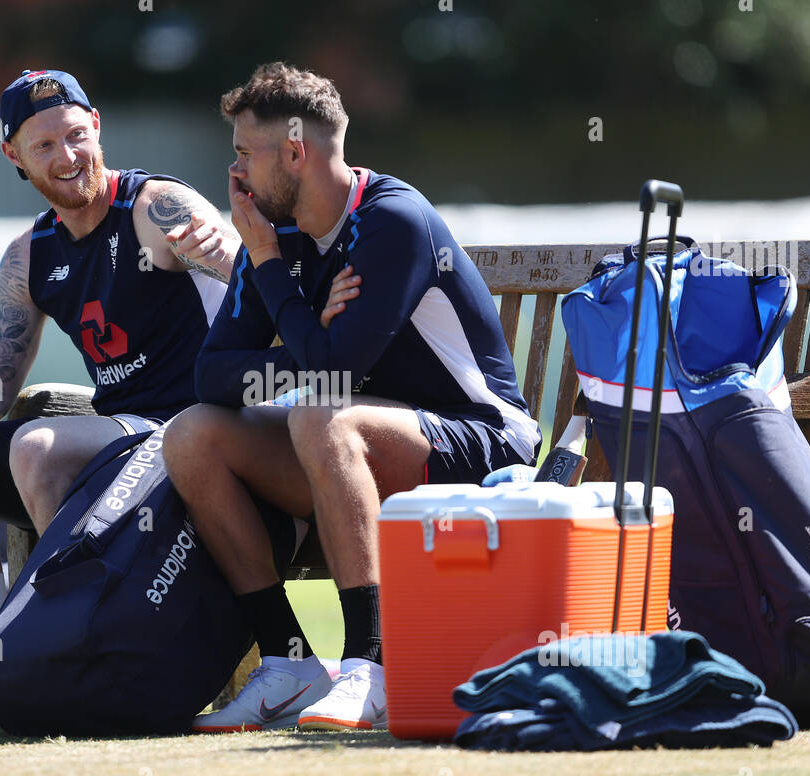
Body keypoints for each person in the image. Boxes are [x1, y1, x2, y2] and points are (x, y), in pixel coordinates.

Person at [162, 62, 542, 732]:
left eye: (245, 154)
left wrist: (275, 280)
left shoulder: (390, 220)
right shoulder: (273, 237)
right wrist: (295, 341)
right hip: (351, 450)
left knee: (320, 412)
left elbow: (334, 371)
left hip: (480, 443)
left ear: (295, 152)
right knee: (193, 434)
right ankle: (287, 662)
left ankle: (371, 666)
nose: (237, 176)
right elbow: (212, 377)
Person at [0, 69, 238, 722]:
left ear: (96, 125)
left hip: (193, 433)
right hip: (116, 439)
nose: (67, 156)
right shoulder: (28, 257)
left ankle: (73, 653)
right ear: (13, 155)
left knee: (40, 448)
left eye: (75, 135)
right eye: (44, 145)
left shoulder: (158, 206)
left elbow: (251, 278)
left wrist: (231, 255)